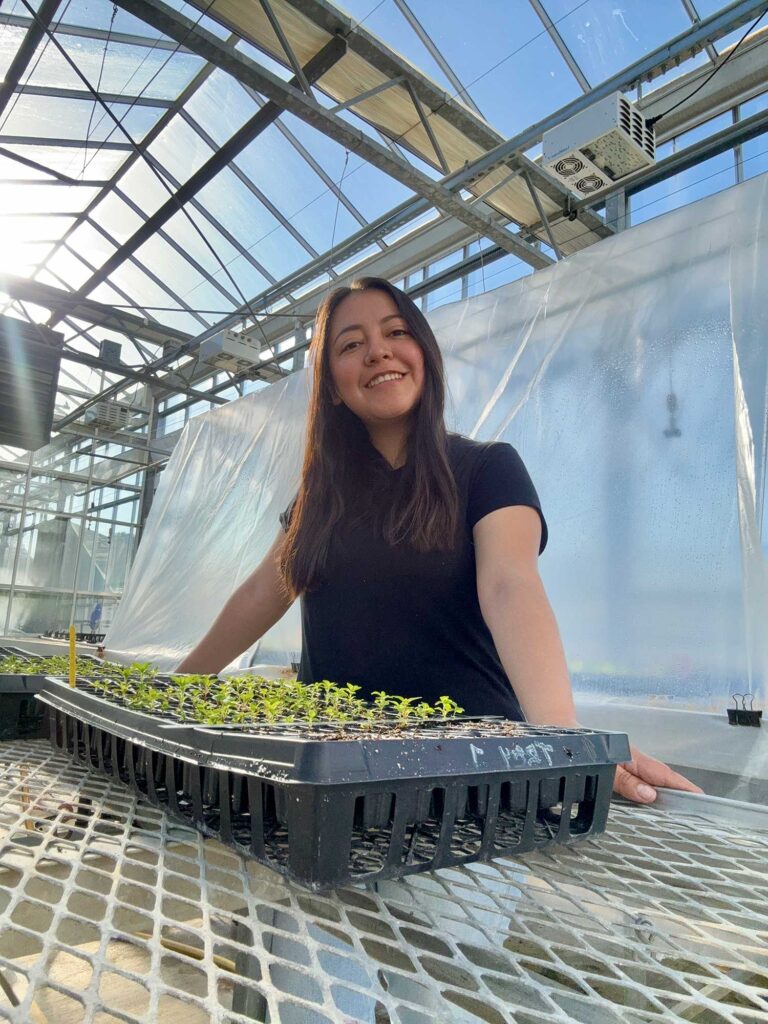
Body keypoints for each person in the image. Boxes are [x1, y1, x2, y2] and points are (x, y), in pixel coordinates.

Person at [178, 277, 701, 805]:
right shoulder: (319, 500)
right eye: (351, 344)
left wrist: (564, 742)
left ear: (424, 354)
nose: (378, 350)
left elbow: (510, 585)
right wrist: (175, 689)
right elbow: (261, 595)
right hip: (337, 780)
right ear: (332, 387)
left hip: (470, 778)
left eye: (395, 331)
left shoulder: (486, 469)